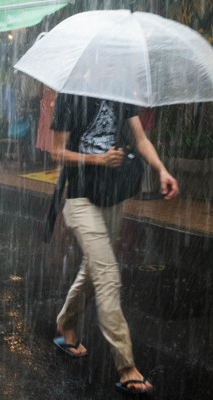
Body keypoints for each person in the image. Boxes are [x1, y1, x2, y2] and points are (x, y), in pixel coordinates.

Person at [49, 92, 178, 396]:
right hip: (80, 198)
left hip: (110, 194)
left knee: (94, 266)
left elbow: (141, 139)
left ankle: (65, 323)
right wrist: (97, 159)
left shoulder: (118, 93)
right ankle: (126, 367)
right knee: (108, 275)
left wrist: (162, 169)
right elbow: (57, 152)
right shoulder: (71, 97)